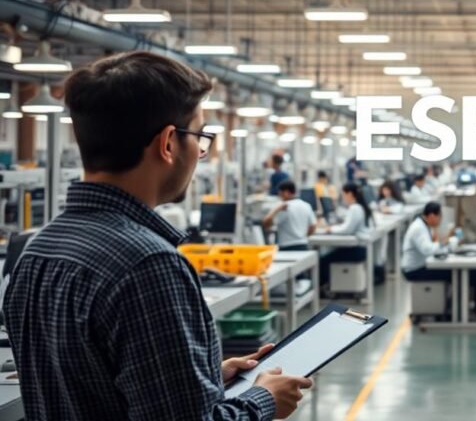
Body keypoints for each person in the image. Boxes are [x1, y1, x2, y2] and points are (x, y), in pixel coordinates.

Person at [3, 52, 311, 420]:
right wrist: (263, 400)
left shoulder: (38, 249)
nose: (201, 151)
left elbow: (93, 386)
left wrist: (206, 379)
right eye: (200, 136)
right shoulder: (149, 264)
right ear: (168, 144)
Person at [401, 202, 476, 320]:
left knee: (473, 272)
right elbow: (428, 250)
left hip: (422, 265)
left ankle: (472, 308)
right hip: (415, 270)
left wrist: (445, 244)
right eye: (440, 217)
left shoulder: (423, 226)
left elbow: (431, 248)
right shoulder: (419, 228)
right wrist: (446, 242)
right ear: (432, 216)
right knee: (472, 273)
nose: (440, 221)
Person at [319, 183, 374, 285]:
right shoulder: (360, 206)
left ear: (349, 194)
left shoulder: (355, 208)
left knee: (323, 260)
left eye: (343, 194)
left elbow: (347, 230)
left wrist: (331, 229)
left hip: (357, 250)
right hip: (361, 249)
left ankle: (321, 288)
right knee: (329, 254)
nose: (343, 198)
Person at [262, 180, 317, 251]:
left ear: (286, 193)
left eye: (280, 193)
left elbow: (266, 224)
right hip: (303, 246)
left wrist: (275, 209)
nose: (279, 196)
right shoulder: (306, 205)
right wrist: (302, 236)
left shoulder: (284, 208)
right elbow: (313, 226)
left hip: (287, 247)